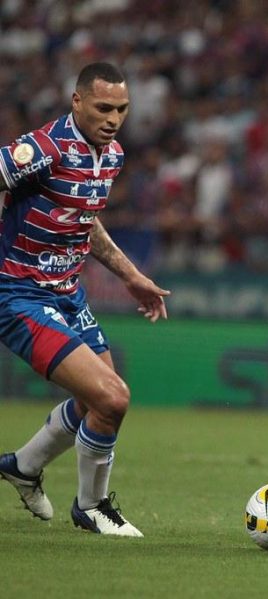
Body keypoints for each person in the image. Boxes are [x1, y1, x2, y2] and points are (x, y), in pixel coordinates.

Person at [0, 63, 170, 537]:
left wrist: (132, 275)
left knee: (98, 400)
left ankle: (23, 466)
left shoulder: (110, 154)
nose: (114, 118)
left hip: (69, 293)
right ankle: (90, 507)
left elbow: (83, 219)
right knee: (112, 397)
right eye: (103, 107)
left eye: (122, 109)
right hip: (19, 295)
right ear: (77, 102)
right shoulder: (44, 148)